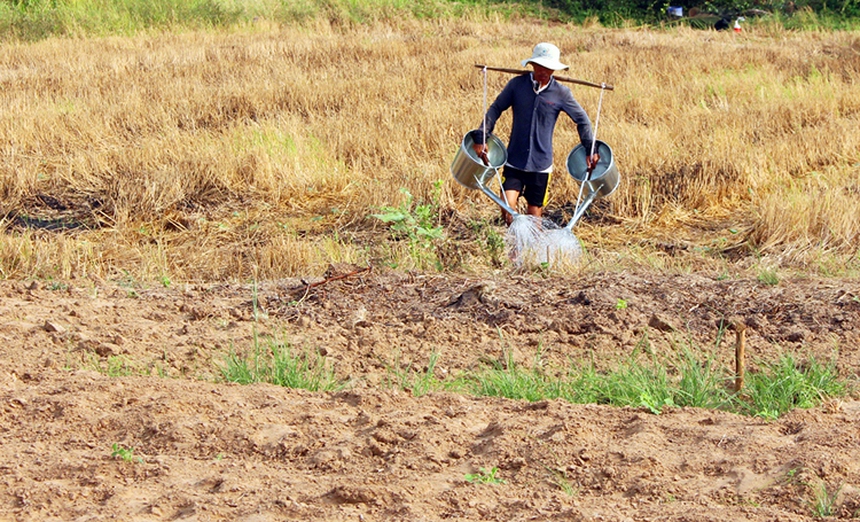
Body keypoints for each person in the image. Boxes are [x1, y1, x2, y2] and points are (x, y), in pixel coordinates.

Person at [472, 42, 600, 226]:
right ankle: (514, 245)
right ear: (532, 65)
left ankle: (533, 252)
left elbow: (582, 119)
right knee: (508, 206)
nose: (544, 71)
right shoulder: (517, 85)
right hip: (514, 159)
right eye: (540, 66)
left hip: (541, 165)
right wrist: (481, 135)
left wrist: (590, 147)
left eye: (549, 68)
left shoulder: (561, 93)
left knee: (534, 214)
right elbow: (496, 108)